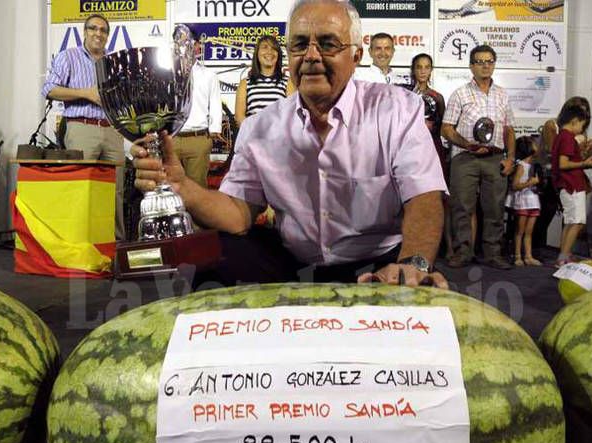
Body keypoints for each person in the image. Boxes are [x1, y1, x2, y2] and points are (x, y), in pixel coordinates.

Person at [133, 0, 448, 288]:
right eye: (299, 45)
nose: (311, 55)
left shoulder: (397, 109)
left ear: (355, 56)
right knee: (214, 255)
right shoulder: (260, 127)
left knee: (414, 285)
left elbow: (424, 197)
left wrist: (412, 264)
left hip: (377, 263)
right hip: (293, 263)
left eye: (327, 44)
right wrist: (181, 186)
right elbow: (237, 214)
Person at [42, 13, 125, 240]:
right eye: (93, 29)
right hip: (81, 128)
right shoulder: (68, 57)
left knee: (115, 190)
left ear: (108, 36)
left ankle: (114, 243)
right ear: (84, 32)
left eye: (103, 30)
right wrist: (86, 94)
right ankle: (77, 240)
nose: (98, 33)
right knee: (80, 186)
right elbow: (48, 89)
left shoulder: (115, 62)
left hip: (112, 130)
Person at [442, 44, 516, 270]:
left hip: (495, 158)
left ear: (494, 64)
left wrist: (510, 158)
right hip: (465, 157)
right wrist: (468, 145)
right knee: (462, 207)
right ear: (471, 66)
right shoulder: (460, 94)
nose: (486, 66)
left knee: (494, 207)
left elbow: (509, 129)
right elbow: (446, 128)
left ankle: (493, 253)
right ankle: (463, 252)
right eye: (480, 62)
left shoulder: (502, 94)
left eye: (489, 61)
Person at [400, 53, 452, 258]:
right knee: (410, 195)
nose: (422, 70)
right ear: (413, 69)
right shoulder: (404, 95)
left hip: (433, 149)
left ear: (431, 70)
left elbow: (442, 127)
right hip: (409, 149)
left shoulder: (437, 97)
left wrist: (430, 127)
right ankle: (408, 245)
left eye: (426, 67)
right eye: (419, 67)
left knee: (437, 196)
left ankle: (445, 247)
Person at [173, 26, 223, 189]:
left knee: (197, 191)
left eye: (188, 42)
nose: (183, 47)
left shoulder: (209, 75)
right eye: (179, 42)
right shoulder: (166, 73)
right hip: (171, 139)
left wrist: (214, 130)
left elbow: (215, 103)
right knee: (170, 189)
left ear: (197, 46)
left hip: (198, 139)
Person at [551, 104, 592, 267]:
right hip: (571, 185)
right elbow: (563, 164)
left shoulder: (562, 137)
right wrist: (584, 164)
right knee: (577, 222)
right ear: (574, 121)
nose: (582, 129)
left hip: (569, 185)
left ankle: (564, 254)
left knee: (572, 221)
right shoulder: (567, 137)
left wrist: (584, 161)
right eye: (582, 125)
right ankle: (563, 257)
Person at [234, 35, 295, 126]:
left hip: (279, 138)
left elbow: (292, 115)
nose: (269, 52)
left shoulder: (288, 82)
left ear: (278, 55)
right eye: (265, 47)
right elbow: (239, 117)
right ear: (257, 53)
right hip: (253, 137)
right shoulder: (245, 83)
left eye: (274, 49)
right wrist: (256, 131)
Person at [506, 136, 542, 266]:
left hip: (533, 201)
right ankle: (517, 256)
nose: (537, 146)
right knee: (519, 231)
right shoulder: (521, 166)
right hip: (523, 201)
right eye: (534, 144)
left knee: (529, 232)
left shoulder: (533, 165)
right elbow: (515, 186)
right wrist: (529, 183)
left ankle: (528, 256)